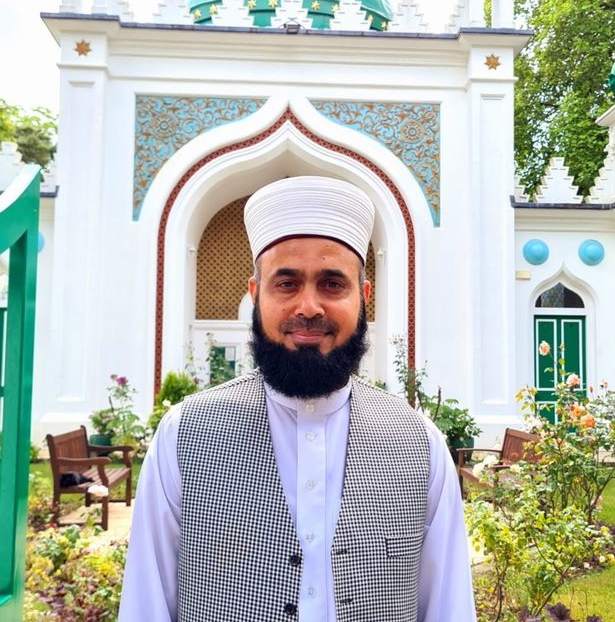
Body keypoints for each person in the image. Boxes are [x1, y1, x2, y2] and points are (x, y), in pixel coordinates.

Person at [119, 175, 476, 622]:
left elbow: (448, 607)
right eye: (286, 284)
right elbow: (145, 606)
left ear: (364, 297)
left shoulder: (418, 442)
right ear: (255, 295)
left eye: (332, 284)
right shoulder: (183, 434)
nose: (308, 307)